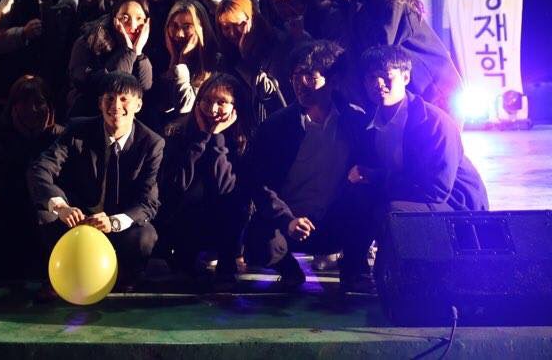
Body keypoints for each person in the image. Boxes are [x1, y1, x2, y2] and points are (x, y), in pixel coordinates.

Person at [242, 40, 375, 291]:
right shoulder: (276, 126)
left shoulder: (355, 121)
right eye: (296, 76)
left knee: (368, 199)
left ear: (333, 81)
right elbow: (259, 184)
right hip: (289, 221)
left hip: (333, 220)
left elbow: (370, 167)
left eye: (310, 77)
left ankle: (353, 269)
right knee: (258, 241)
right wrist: (288, 220)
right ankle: (289, 270)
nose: (301, 84)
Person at [28, 72, 163, 293]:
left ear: (138, 105)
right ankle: (58, 277)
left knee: (145, 235)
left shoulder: (152, 143)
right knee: (46, 213)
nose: (116, 106)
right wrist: (61, 206)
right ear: (100, 103)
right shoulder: (77, 129)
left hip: (118, 226)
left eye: (124, 99)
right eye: (109, 98)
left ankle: (125, 279)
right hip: (78, 220)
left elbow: (148, 202)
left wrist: (114, 222)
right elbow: (40, 168)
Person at [351, 45, 489, 215]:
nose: (378, 84)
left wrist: (375, 177)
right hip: (413, 194)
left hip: (457, 205)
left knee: (394, 211)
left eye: (386, 76)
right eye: (372, 77)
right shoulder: (372, 123)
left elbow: (436, 190)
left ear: (405, 77)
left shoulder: (434, 123)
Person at [330, 0, 462, 116]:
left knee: (434, 132)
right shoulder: (348, 3)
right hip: (403, 90)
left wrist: (357, 1)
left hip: (431, 88)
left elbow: (382, 44)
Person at [156, 74, 251, 285]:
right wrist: (201, 139)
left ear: (235, 107)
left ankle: (227, 262)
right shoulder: (177, 132)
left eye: (222, 102)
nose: (212, 109)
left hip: (225, 221)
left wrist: (217, 139)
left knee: (234, 204)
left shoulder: (243, 140)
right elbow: (177, 184)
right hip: (186, 217)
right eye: (207, 100)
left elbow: (226, 187)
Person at [0, 75, 65, 281]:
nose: (32, 109)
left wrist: (41, 137)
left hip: (47, 207)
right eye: (25, 103)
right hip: (10, 205)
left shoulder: (60, 136)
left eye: (39, 103)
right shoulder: (1, 136)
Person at [67, 0, 153, 117]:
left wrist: (138, 52)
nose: (133, 26)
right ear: (114, 19)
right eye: (125, 18)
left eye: (139, 19)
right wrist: (128, 52)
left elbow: (145, 87)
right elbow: (111, 87)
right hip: (90, 113)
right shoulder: (88, 42)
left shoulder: (144, 43)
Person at [215, 0, 289, 132]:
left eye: (238, 25)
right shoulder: (226, 57)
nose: (232, 33)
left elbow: (275, 96)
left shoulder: (276, 45)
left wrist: (247, 61)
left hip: (275, 126)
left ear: (251, 19)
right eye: (226, 27)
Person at [151, 0, 219, 132]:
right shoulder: (158, 57)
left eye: (187, 27)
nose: (179, 34)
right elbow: (162, 104)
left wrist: (182, 63)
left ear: (201, 28)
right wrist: (173, 61)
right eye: (174, 26)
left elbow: (185, 107)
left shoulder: (214, 62)